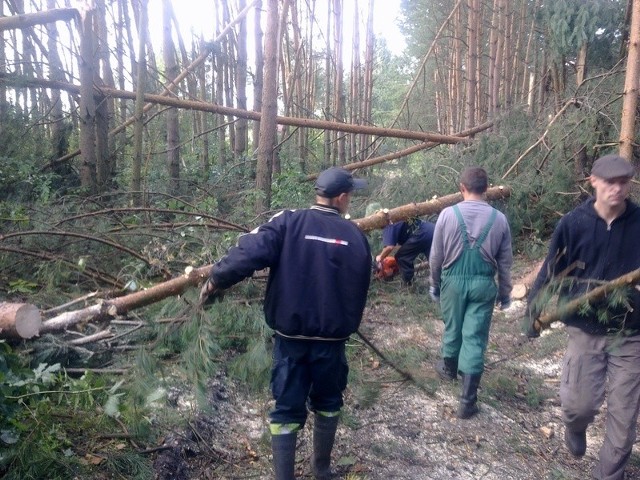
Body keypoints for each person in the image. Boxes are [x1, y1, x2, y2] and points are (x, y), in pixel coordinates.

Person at [199, 167, 371, 480]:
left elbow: (247, 252)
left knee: (287, 407)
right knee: (329, 402)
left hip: (290, 339)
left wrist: (216, 280)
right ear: (343, 197)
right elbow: (360, 286)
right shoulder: (355, 236)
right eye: (351, 195)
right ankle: (322, 470)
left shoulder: (287, 222)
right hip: (332, 345)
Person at [526, 154, 640, 480]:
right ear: (593, 182)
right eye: (610, 182)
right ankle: (574, 427)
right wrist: (533, 311)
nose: (617, 189)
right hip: (584, 329)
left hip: (631, 334)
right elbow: (551, 270)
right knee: (579, 405)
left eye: (624, 182)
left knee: (623, 419)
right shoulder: (573, 224)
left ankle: (608, 474)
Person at [429, 166, 513, 419]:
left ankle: (448, 369)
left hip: (452, 281)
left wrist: (434, 284)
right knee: (474, 336)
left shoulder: (447, 214)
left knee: (452, 326)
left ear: (462, 189)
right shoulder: (499, 219)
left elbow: (436, 256)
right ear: (487, 189)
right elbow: (506, 262)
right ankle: (467, 400)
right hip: (483, 284)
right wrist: (506, 293)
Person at [375, 218, 435, 285]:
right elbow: (389, 246)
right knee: (434, 261)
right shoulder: (396, 217)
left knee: (401, 257)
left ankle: (409, 285)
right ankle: (439, 284)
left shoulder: (388, 225)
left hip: (421, 233)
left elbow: (389, 247)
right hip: (431, 230)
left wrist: (380, 257)